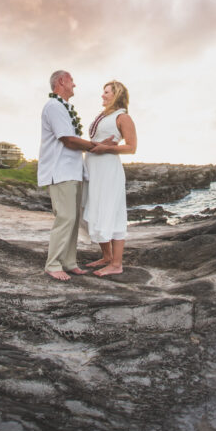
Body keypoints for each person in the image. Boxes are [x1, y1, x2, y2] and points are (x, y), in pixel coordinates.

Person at [38, 70, 113, 281]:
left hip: (72, 171)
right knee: (65, 218)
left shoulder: (64, 107)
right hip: (59, 171)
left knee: (73, 219)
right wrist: (96, 146)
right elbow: (68, 139)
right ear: (61, 81)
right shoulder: (53, 106)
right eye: (72, 81)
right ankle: (52, 264)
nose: (75, 85)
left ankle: (69, 262)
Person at [83, 80, 137, 276]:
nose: (102, 95)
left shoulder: (123, 117)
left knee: (112, 211)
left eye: (106, 92)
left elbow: (131, 147)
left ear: (117, 95)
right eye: (103, 92)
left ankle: (116, 264)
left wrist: (108, 148)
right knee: (97, 209)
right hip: (94, 169)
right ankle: (106, 256)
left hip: (108, 170)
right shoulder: (104, 115)